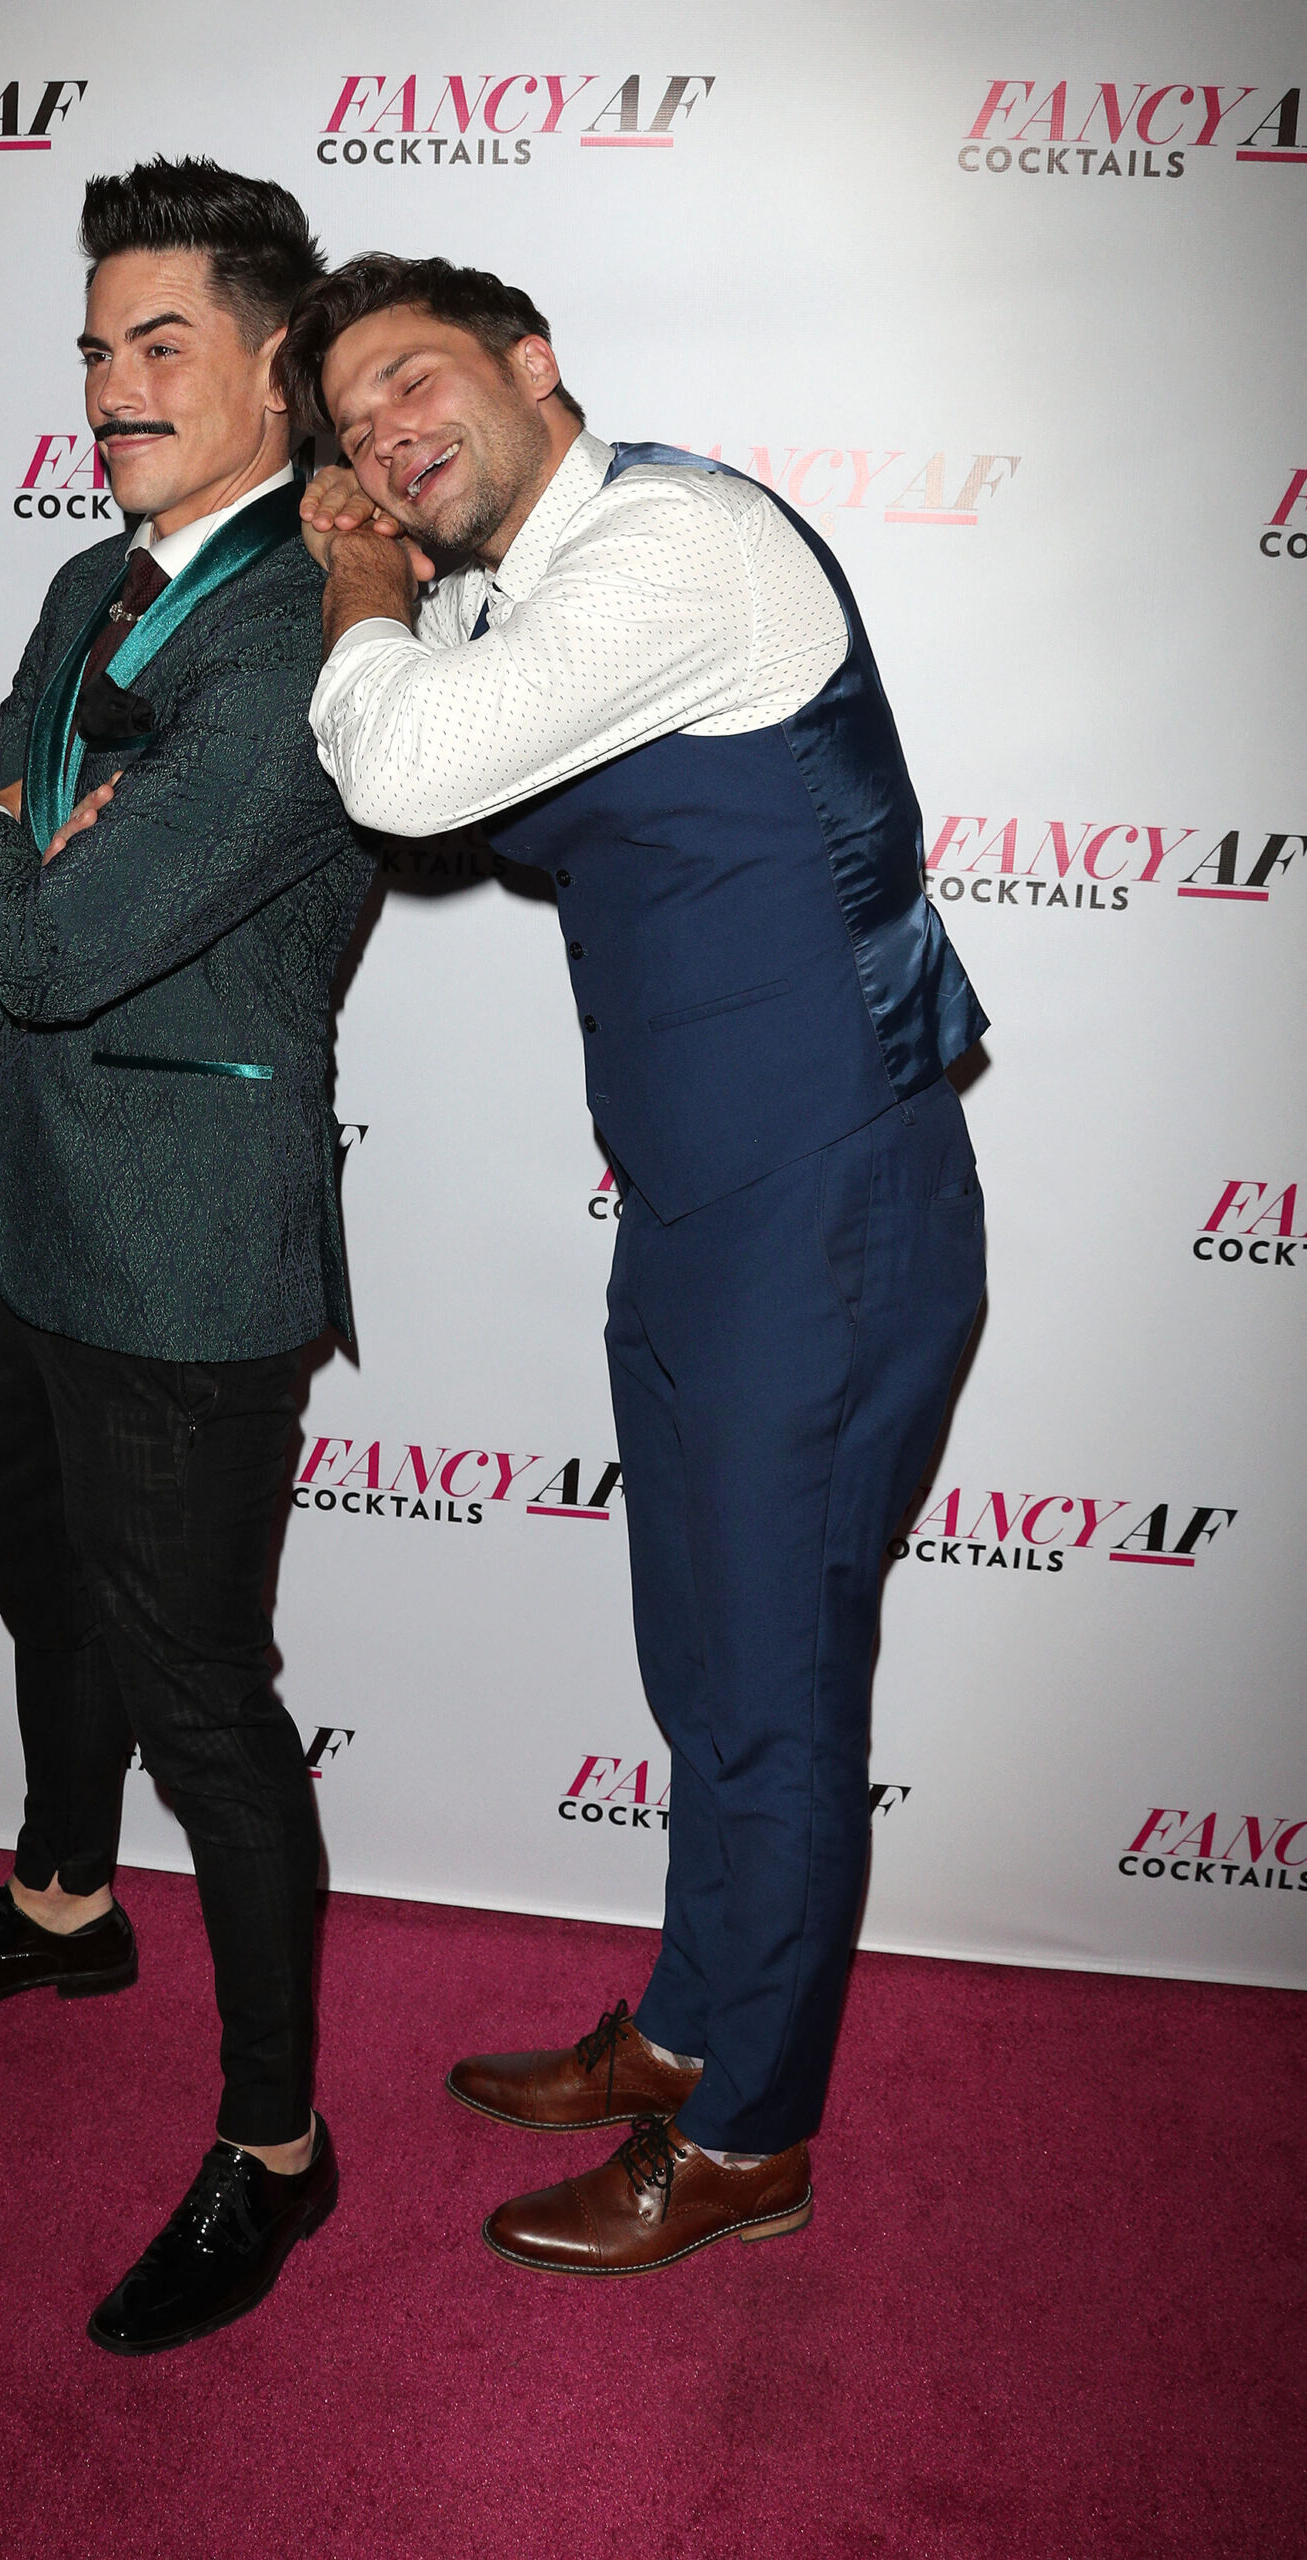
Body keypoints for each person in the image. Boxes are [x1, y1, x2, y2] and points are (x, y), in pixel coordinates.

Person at [281, 255, 988, 2276]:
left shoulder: (678, 543)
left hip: (829, 1216)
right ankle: (689, 2023)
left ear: (533, 364)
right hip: (694, 1219)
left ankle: (753, 2135)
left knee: (770, 1693)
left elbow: (409, 772)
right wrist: (397, 589)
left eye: (410, 380)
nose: (384, 438)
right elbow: (470, 764)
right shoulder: (522, 599)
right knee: (706, 1668)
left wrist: (357, 583)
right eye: (350, 431)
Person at [0, 160, 371, 2354]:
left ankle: (277, 2148)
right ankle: (69, 1894)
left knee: (208, 1703)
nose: (114, 384)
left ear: (274, 364)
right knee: (31, 1561)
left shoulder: (311, 630)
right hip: (45, 1200)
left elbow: (40, 932)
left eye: (164, 344)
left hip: (188, 1250)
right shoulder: (91, 580)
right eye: (93, 345)